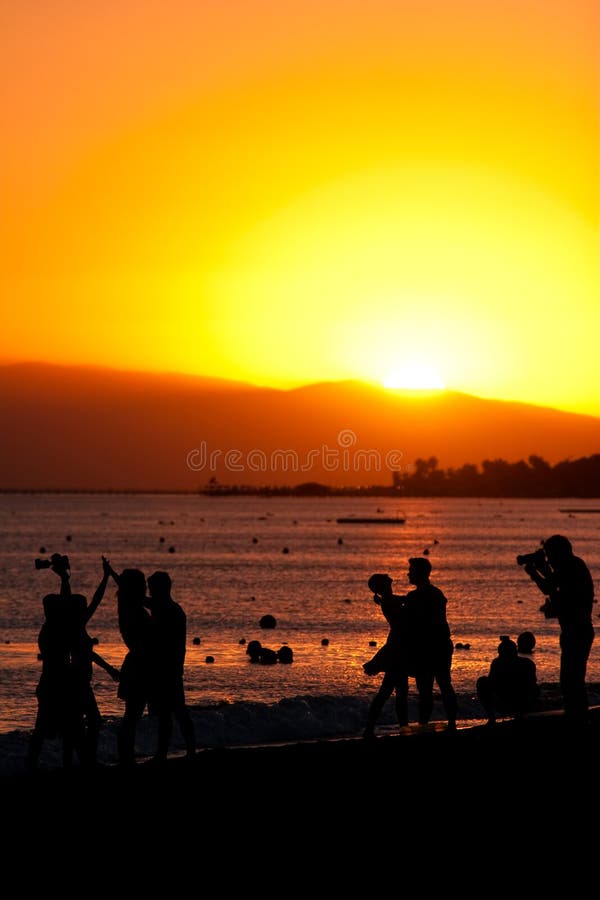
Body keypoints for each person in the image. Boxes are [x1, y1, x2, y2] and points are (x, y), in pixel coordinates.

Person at [520, 534, 595, 724]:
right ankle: (578, 716)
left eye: (550, 555)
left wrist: (534, 572)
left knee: (571, 681)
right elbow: (554, 584)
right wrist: (541, 569)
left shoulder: (571, 566)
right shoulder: (572, 566)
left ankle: (578, 718)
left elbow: (549, 587)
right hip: (574, 630)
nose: (549, 559)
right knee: (571, 681)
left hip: (577, 631)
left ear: (559, 553)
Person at [108, 566, 156, 766]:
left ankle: (126, 753)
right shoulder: (134, 610)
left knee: (133, 714)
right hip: (139, 666)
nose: (146, 586)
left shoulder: (127, 604)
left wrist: (111, 573)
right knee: (132, 715)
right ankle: (125, 755)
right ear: (136, 587)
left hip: (138, 664)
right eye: (143, 583)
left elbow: (125, 587)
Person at [403, 557, 458, 731]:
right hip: (437, 646)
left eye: (411, 571)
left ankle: (430, 723)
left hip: (432, 648)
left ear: (420, 573)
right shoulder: (435, 594)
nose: (408, 573)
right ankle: (447, 723)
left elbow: (415, 617)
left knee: (431, 688)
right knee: (439, 686)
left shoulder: (420, 596)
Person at [146, 571, 196, 761]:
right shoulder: (166, 607)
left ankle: (186, 750)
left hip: (169, 669)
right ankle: (166, 752)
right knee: (169, 713)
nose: (150, 592)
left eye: (152, 589)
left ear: (161, 589)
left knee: (176, 712)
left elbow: (141, 599)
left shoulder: (169, 609)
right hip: (167, 668)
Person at [362, 573, 411, 739]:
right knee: (393, 689)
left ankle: (398, 726)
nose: (388, 576)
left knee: (395, 689)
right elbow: (408, 600)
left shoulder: (388, 600)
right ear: (384, 584)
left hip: (397, 646)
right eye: (385, 577)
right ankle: (374, 727)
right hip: (397, 648)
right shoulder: (390, 601)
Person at [476, 636, 540, 726]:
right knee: (535, 688)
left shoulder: (498, 663)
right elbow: (533, 684)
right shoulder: (527, 663)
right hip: (515, 701)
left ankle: (492, 717)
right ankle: (521, 714)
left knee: (482, 681)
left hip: (512, 701)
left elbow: (491, 682)